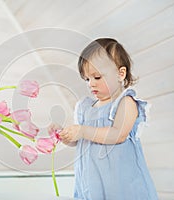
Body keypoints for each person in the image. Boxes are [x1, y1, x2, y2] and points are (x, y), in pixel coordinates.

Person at [52, 38, 158, 199]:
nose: (91, 84)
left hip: (120, 184)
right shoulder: (85, 107)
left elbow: (118, 134)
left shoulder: (125, 102)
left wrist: (83, 131)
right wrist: (64, 135)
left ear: (120, 74)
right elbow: (80, 140)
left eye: (97, 77)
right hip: (91, 183)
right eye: (87, 79)